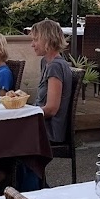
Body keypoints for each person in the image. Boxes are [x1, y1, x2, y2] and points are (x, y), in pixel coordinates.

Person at [18, 19, 73, 190]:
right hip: (40, 126)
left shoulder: (56, 66)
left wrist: (27, 114)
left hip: (49, 130)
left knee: (10, 138)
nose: (32, 44)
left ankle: (27, 188)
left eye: (35, 40)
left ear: (47, 40)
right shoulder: (46, 62)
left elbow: (51, 109)